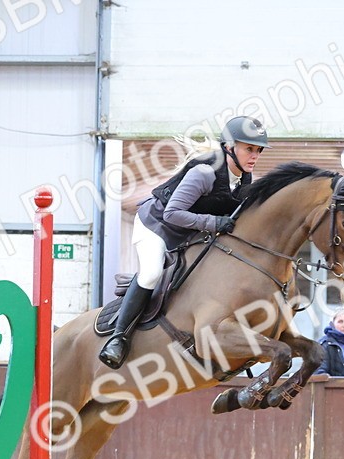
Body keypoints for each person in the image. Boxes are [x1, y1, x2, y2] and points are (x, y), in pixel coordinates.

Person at [98, 116, 270, 369]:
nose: (254, 156)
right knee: (152, 273)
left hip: (187, 231)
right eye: (249, 149)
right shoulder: (203, 173)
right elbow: (171, 213)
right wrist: (213, 223)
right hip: (156, 225)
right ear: (229, 147)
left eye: (258, 150)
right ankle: (118, 338)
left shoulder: (245, 178)